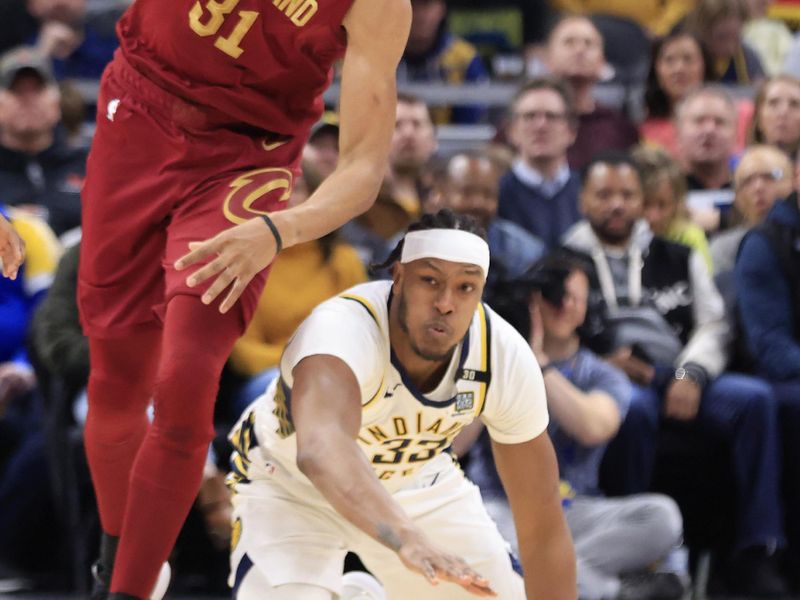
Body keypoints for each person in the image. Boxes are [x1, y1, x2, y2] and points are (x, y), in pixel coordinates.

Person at [76, 0, 413, 598]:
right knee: (115, 381)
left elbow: (363, 166)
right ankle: (120, 560)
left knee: (184, 383)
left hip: (243, 161)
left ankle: (124, 591)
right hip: (138, 111)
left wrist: (282, 228)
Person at [227, 210, 577, 599]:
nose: (446, 303)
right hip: (291, 486)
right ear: (398, 276)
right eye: (431, 281)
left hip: (417, 484)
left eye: (466, 287)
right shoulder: (340, 330)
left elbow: (542, 525)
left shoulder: (502, 354)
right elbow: (321, 451)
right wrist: (407, 537)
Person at [563, 152, 789, 596]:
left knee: (756, 400)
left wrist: (690, 373)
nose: (617, 205)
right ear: (583, 201)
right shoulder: (565, 262)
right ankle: (640, 553)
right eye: (604, 195)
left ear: (643, 201)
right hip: (614, 381)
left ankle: (757, 548)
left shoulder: (678, 254)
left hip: (683, 372)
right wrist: (600, 366)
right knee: (633, 411)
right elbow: (556, 334)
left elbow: (714, 324)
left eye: (628, 195)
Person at [461, 251, 685, 600]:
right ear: (532, 299)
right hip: (501, 508)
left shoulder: (601, 372)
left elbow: (593, 427)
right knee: (493, 544)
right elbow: (454, 444)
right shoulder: (491, 360)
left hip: (575, 509)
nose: (564, 306)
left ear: (586, 307)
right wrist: (498, 363)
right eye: (554, 295)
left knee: (663, 516)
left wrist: (540, 366)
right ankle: (614, 592)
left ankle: (563, 581)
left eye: (574, 298)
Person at [0, 46, 88, 237]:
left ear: (57, 101)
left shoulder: (91, 164)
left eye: (37, 89)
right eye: (17, 91)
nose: (29, 99)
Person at [544, 16, 639, 170]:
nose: (580, 50)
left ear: (602, 61)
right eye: (569, 42)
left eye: (589, 44)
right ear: (548, 59)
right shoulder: (526, 121)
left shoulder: (619, 128)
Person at [498, 77, 582, 249]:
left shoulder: (588, 193)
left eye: (551, 116)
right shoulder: (495, 195)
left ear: (571, 131)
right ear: (511, 131)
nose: (541, 125)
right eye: (530, 116)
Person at [640, 31, 753, 157]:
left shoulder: (743, 115)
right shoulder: (645, 131)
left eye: (688, 59)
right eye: (669, 61)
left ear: (705, 66)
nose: (679, 69)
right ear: (656, 70)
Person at [711, 144, 792, 275]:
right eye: (747, 181)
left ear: (792, 184)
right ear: (737, 196)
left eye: (769, 177)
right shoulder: (724, 249)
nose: (758, 187)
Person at [632, 145, 713, 270]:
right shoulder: (615, 239)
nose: (653, 217)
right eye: (645, 204)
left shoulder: (690, 238)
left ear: (676, 204)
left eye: (662, 205)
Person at [748, 75, 800, 158]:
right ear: (758, 117)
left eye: (794, 104)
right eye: (773, 103)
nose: (783, 112)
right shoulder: (736, 167)